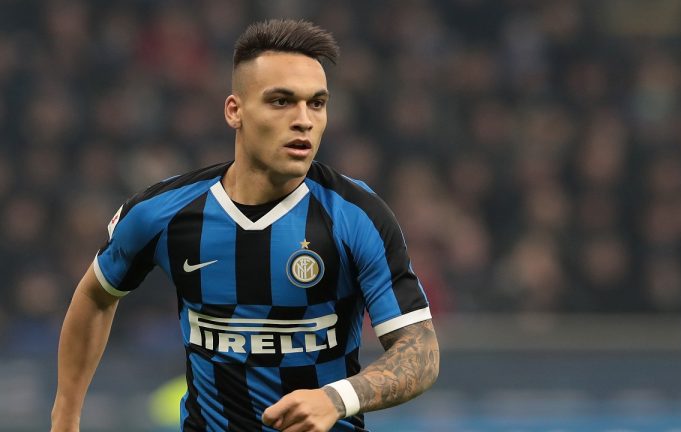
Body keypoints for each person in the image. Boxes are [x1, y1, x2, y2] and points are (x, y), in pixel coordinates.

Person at [51, 19, 439, 432]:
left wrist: (337, 398)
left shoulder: (357, 215)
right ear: (234, 111)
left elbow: (420, 350)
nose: (304, 120)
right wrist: (65, 418)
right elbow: (96, 296)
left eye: (317, 103)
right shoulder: (163, 213)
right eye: (281, 101)